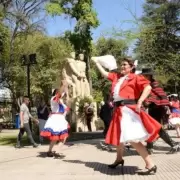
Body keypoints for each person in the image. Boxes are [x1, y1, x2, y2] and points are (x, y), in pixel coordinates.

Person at [92, 56, 161, 175]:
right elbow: (104, 74)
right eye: (121, 64)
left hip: (128, 110)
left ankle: (150, 164)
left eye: (125, 65)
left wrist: (140, 101)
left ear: (131, 67)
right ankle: (119, 159)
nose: (122, 67)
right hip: (119, 110)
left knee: (132, 138)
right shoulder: (117, 77)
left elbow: (148, 87)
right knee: (120, 137)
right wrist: (97, 62)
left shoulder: (135, 77)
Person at [141, 68, 180, 154]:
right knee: (151, 128)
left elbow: (161, 96)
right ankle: (149, 147)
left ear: (148, 76)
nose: (142, 77)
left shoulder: (154, 84)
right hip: (153, 108)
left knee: (156, 128)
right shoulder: (148, 84)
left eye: (143, 75)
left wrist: (150, 101)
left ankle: (174, 145)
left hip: (157, 109)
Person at [40, 88, 70, 157]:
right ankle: (56, 151)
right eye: (59, 92)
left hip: (60, 119)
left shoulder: (61, 102)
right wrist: (63, 87)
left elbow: (66, 110)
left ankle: (51, 151)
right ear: (56, 92)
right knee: (57, 137)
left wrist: (66, 94)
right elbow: (59, 96)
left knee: (60, 137)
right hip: (55, 119)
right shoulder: (53, 99)